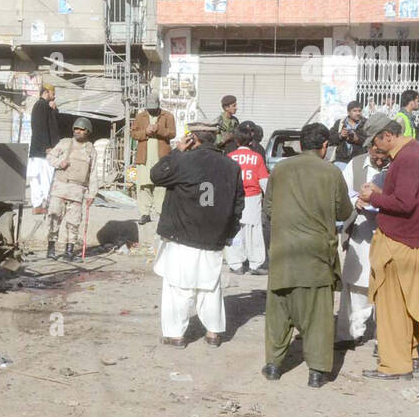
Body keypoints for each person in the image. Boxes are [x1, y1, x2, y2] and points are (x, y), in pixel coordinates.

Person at [261, 123, 351, 388]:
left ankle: (274, 366)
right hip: (317, 257)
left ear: (300, 145)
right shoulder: (332, 172)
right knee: (318, 318)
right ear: (324, 147)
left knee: (278, 314)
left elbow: (268, 207)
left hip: (283, 255)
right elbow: (344, 212)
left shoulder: (280, 169)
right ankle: (316, 373)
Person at [150, 126, 243, 348]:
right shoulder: (231, 166)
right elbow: (239, 203)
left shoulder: (184, 161)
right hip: (213, 237)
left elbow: (156, 175)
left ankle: (175, 335)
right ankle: (213, 333)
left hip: (183, 235)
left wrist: (177, 151)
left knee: (178, 287)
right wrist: (229, 233)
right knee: (209, 286)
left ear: (193, 138)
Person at [358, 115, 419, 380]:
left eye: (377, 143)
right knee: (407, 303)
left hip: (399, 239)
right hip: (412, 237)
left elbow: (404, 203)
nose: (377, 149)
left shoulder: (408, 158)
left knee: (392, 306)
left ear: (387, 136)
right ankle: (409, 357)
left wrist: (373, 197)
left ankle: (394, 365)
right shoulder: (417, 152)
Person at [336, 141, 390, 349]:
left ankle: (383, 339)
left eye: (383, 154)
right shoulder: (356, 165)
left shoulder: (395, 166)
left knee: (385, 286)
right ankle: (350, 333)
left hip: (387, 234)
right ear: (369, 147)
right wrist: (356, 203)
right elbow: (342, 194)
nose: (379, 158)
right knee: (355, 282)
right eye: (375, 153)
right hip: (360, 231)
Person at [45, 118, 98, 261]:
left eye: (81, 129)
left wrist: (92, 193)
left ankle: (69, 251)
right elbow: (50, 157)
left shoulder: (90, 149)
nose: (78, 132)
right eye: (76, 129)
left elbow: (93, 174)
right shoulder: (65, 143)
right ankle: (51, 249)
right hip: (60, 187)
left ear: (87, 132)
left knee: (73, 222)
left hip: (77, 190)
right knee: (54, 217)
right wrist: (59, 163)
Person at [225, 122, 269, 275]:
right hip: (252, 198)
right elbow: (264, 181)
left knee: (235, 230)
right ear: (250, 141)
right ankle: (255, 264)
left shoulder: (229, 157)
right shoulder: (257, 158)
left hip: (234, 199)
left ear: (236, 141)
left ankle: (236, 264)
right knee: (254, 231)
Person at [130, 92, 176, 225]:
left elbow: (172, 133)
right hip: (144, 157)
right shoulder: (140, 116)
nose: (151, 109)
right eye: (149, 107)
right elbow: (133, 133)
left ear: (158, 104)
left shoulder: (168, 116)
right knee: (143, 185)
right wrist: (146, 132)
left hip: (161, 157)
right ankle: (145, 213)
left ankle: (161, 213)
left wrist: (159, 129)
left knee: (161, 185)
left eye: (154, 107)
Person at [27, 85, 59, 214]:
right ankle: (43, 205)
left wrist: (54, 110)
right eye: (53, 93)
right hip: (43, 150)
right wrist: (47, 147)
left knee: (38, 178)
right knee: (45, 178)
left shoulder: (44, 106)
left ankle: (38, 205)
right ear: (46, 92)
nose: (54, 96)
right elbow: (41, 128)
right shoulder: (42, 106)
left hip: (38, 150)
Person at [330, 101, 366, 168]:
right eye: (355, 111)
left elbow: (370, 142)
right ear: (348, 112)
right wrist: (340, 136)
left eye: (359, 111)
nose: (358, 113)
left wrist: (357, 139)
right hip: (341, 161)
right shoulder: (340, 123)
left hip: (359, 161)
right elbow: (330, 139)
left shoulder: (366, 123)